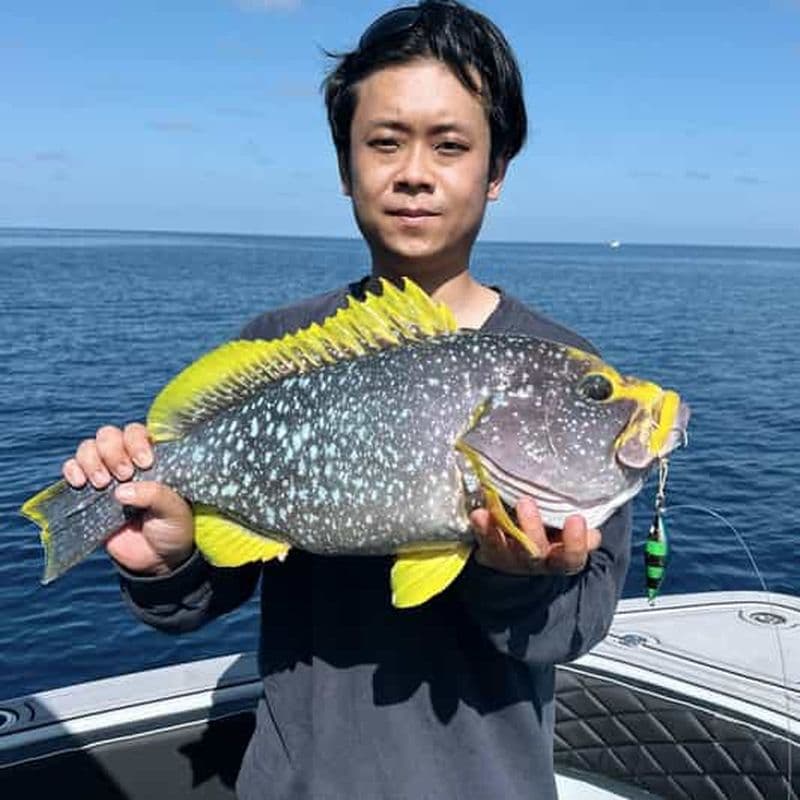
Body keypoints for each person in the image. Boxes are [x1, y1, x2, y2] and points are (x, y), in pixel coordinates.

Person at [62, 2, 631, 798]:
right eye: (385, 142)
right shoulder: (278, 343)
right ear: (345, 168)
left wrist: (514, 574)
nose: (413, 172)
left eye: (451, 145)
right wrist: (169, 560)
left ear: (497, 170)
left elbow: (576, 624)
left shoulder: (558, 369)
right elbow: (205, 592)